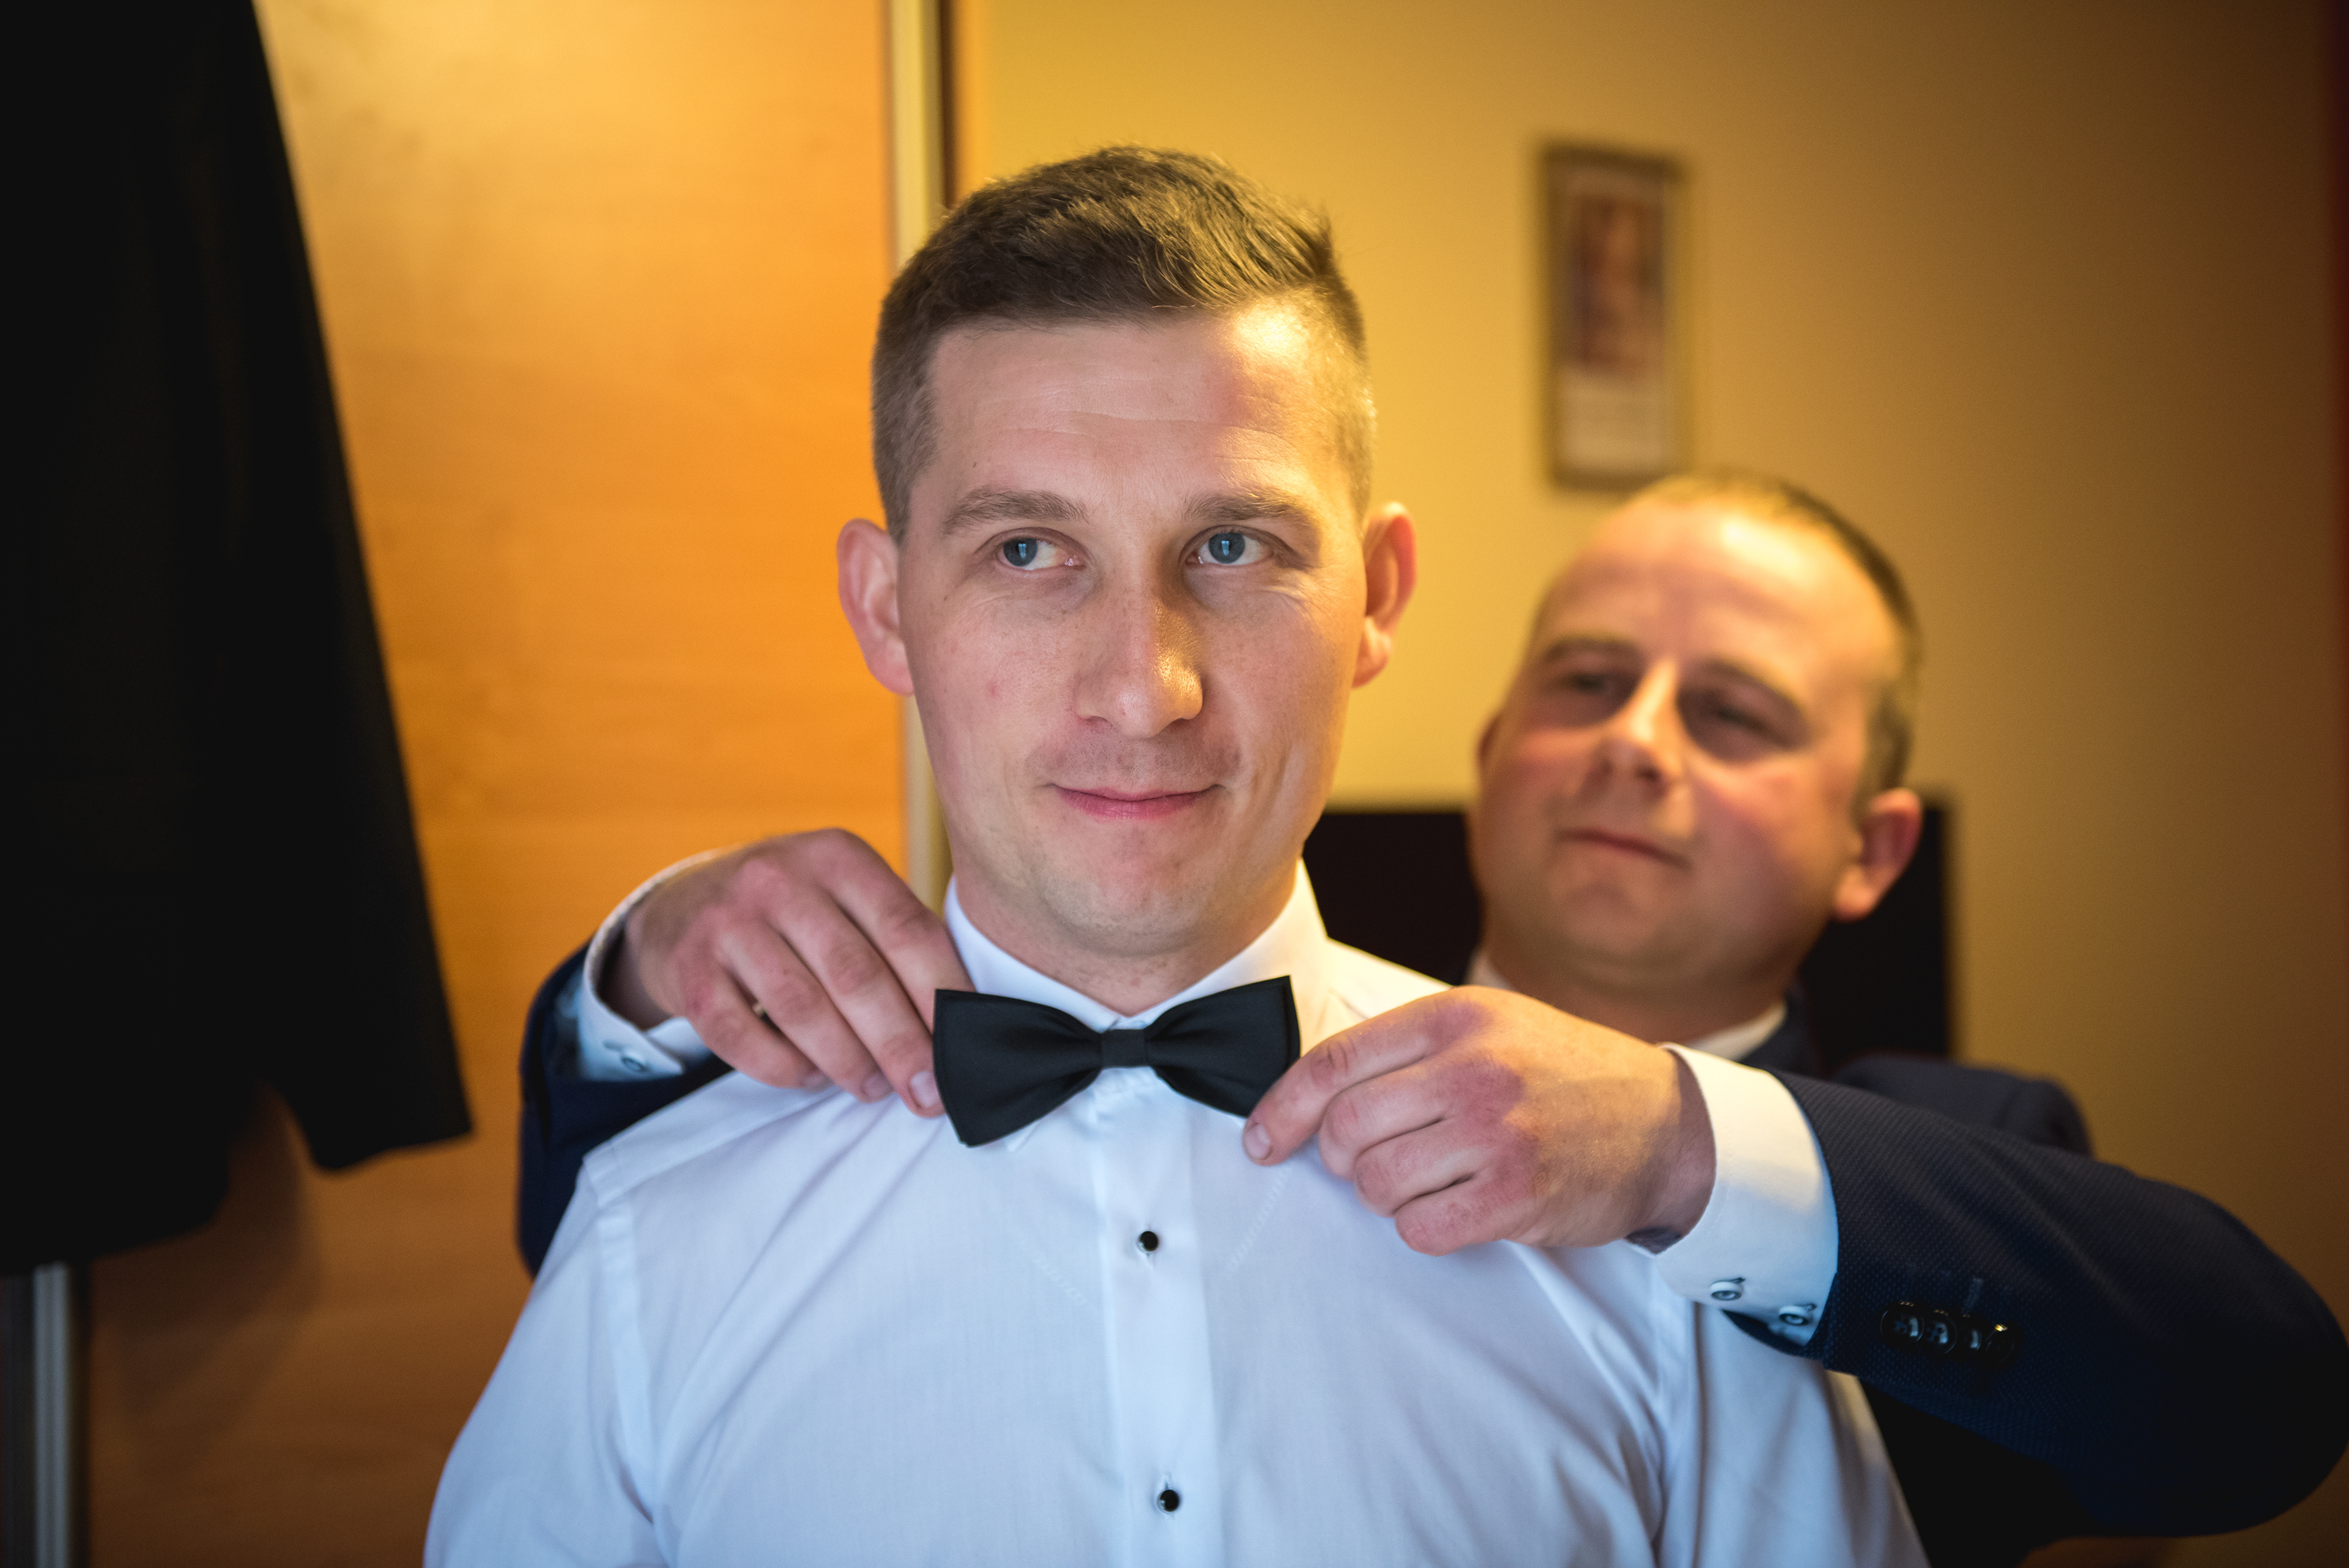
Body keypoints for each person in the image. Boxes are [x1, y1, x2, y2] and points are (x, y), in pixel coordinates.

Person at [505, 221, 2349, 1567]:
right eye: (1029, 548)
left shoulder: (1704, 1247)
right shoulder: (668, 1221)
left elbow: (2254, 1396)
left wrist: (1684, 1154)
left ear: (1376, 601)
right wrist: (646, 963)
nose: (1143, 685)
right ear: (887, 605)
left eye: (1235, 544)